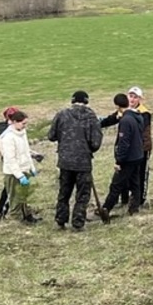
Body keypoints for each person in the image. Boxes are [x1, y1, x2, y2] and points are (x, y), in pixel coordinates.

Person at [47, 89, 103, 231]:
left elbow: (51, 136)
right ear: (86, 101)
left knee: (64, 191)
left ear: (72, 101)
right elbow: (96, 143)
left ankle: (61, 220)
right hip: (83, 162)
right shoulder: (91, 117)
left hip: (65, 161)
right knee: (83, 194)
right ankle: (78, 223)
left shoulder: (61, 114)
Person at [99, 92, 146, 217]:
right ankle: (134, 208)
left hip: (128, 158)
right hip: (138, 155)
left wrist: (119, 161)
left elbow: (124, 142)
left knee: (116, 184)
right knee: (135, 183)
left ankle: (105, 209)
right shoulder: (138, 116)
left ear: (118, 106)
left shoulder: (125, 120)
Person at [0, 107, 41, 223]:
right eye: (23, 123)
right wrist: (19, 175)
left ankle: (26, 216)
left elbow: (26, 152)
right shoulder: (7, 137)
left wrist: (31, 168)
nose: (25, 126)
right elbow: (10, 159)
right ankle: (15, 220)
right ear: (15, 122)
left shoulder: (22, 133)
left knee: (23, 196)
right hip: (13, 173)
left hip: (24, 169)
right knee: (15, 198)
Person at [126, 86, 153, 204]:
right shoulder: (126, 111)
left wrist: (143, 147)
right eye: (130, 96)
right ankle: (129, 197)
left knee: (141, 173)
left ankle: (141, 198)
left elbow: (143, 132)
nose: (132, 99)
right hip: (131, 148)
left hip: (142, 147)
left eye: (135, 97)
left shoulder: (144, 113)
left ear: (140, 99)